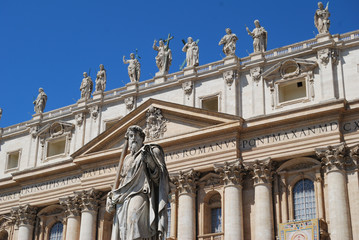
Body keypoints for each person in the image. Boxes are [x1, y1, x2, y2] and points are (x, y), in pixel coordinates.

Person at [106, 125, 170, 240]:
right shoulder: (126, 159)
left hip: (140, 192)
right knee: (123, 228)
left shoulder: (148, 152)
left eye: (137, 136)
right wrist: (113, 196)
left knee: (134, 218)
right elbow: (123, 181)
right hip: (124, 197)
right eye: (131, 136)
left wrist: (149, 161)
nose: (133, 138)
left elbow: (158, 177)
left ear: (142, 138)